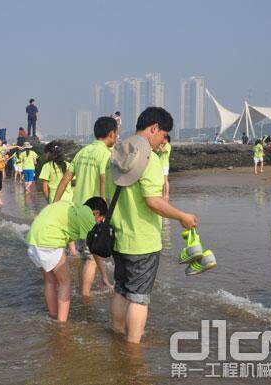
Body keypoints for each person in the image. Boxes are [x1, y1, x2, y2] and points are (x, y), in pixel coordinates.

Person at [106, 107, 199, 344]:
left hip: (118, 237)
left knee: (121, 289)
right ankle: (132, 350)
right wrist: (181, 216)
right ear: (154, 128)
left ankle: (116, 335)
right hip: (142, 241)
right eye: (163, 134)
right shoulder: (150, 159)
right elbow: (153, 201)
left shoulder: (117, 153)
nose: (163, 141)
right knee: (138, 297)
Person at [54, 116, 117, 297]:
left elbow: (66, 179)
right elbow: (103, 181)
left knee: (84, 254)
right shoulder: (105, 154)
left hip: (76, 210)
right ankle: (85, 295)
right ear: (111, 134)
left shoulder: (82, 152)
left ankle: (84, 291)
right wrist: (104, 213)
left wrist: (54, 204)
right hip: (94, 212)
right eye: (116, 135)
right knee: (90, 257)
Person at [26, 197, 108, 322]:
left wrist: (73, 251)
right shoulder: (88, 215)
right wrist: (104, 275)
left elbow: (67, 229)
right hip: (50, 242)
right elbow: (94, 250)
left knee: (50, 281)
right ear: (95, 212)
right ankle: (61, 324)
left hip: (33, 240)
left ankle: (53, 316)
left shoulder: (72, 208)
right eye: (101, 219)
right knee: (65, 283)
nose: (100, 222)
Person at [158, 135, 172, 200]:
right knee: (161, 181)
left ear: (166, 139)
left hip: (164, 165)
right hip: (160, 165)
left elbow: (163, 151)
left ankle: (166, 194)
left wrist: (158, 145)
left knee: (165, 180)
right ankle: (162, 194)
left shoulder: (168, 145)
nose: (161, 140)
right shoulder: (163, 145)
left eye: (163, 139)